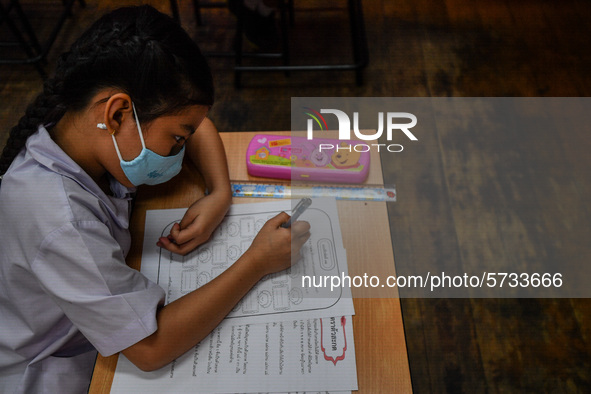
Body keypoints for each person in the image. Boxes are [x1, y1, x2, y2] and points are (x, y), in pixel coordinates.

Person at [0, 6, 310, 393]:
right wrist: (257, 261)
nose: (181, 149)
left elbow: (198, 125)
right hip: (63, 367)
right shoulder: (62, 222)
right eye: (176, 140)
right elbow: (150, 347)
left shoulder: (81, 121)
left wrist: (219, 193)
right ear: (117, 114)